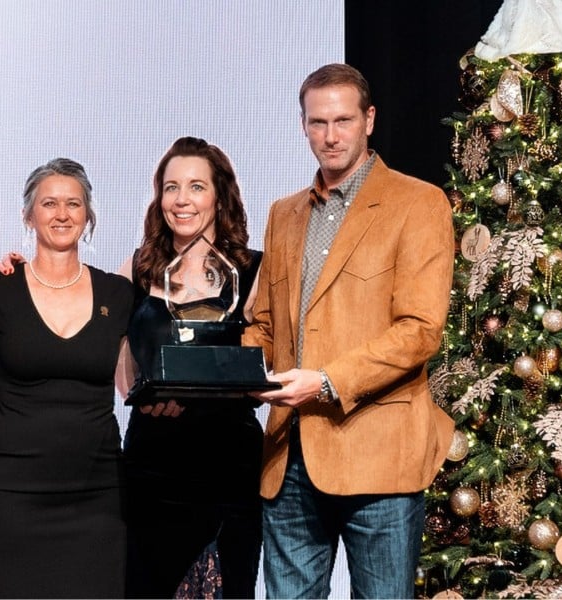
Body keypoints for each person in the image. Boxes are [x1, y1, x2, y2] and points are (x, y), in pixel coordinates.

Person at [244, 63, 455, 599]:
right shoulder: (284, 213)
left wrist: (327, 381)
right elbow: (262, 321)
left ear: (369, 120)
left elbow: (420, 330)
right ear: (303, 126)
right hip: (289, 457)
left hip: (379, 458)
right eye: (318, 122)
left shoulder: (418, 203)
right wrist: (249, 372)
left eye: (342, 120)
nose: (330, 136)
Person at [0, 158, 133, 598]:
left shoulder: (118, 294)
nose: (62, 214)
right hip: (16, 496)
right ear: (29, 214)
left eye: (73, 204)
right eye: (49, 203)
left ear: (87, 215)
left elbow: (132, 385)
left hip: (99, 496)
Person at [116, 136, 263, 598]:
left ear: (220, 197)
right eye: (171, 187)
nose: (182, 200)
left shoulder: (254, 271)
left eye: (196, 187)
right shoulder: (137, 269)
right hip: (152, 466)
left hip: (227, 467)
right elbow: (118, 364)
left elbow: (266, 361)